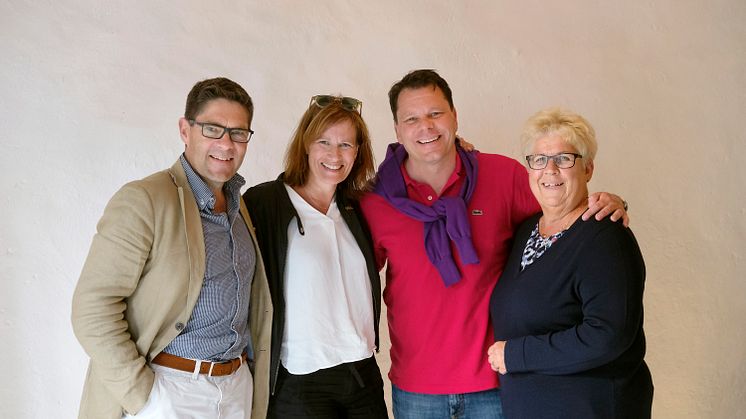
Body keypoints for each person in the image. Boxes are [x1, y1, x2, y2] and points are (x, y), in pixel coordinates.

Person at [359, 69, 629, 418]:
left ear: (455, 117)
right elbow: (350, 277)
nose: (425, 126)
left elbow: (565, 215)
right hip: (416, 389)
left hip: (498, 383)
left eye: (435, 113)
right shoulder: (376, 202)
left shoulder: (503, 177)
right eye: (411, 118)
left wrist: (612, 203)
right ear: (397, 129)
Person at [71, 77, 272, 419]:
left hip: (235, 390)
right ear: (185, 129)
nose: (226, 143)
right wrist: (144, 398)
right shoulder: (145, 200)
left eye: (239, 133)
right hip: (171, 389)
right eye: (213, 129)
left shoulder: (241, 209)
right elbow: (92, 307)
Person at [487, 108, 653, 418]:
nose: (549, 170)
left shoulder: (605, 237)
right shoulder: (527, 231)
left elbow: (607, 335)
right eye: (539, 160)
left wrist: (516, 354)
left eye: (564, 159)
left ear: (588, 168)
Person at [243, 95, 388, 418]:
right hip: (299, 380)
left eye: (346, 145)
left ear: (358, 152)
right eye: (324, 141)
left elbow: (409, 172)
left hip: (361, 372)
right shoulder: (266, 202)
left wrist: (456, 150)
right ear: (306, 145)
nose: (335, 155)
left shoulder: (358, 206)